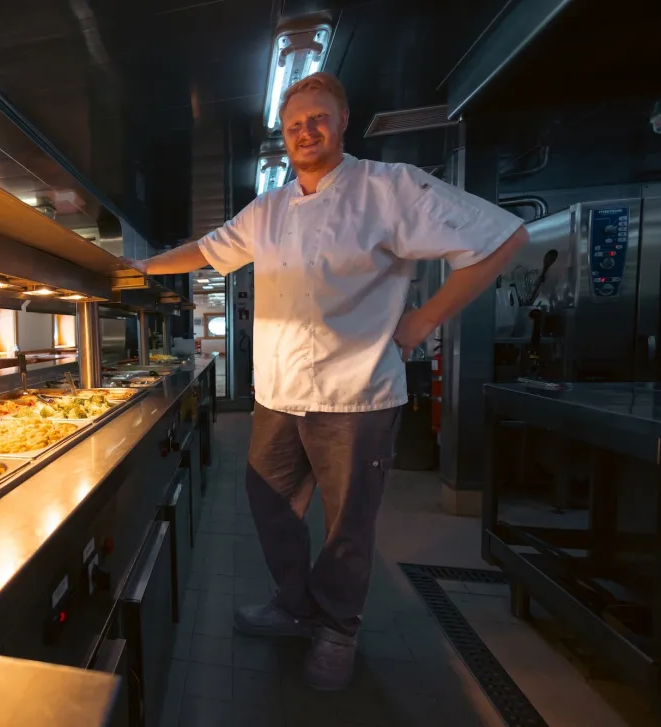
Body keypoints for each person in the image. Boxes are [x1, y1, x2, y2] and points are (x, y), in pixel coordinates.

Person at [125, 72, 527, 690]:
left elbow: (502, 236)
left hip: (357, 396)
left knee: (347, 527)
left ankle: (338, 628)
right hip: (277, 395)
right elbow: (208, 250)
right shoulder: (271, 208)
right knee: (268, 504)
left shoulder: (389, 188)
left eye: (318, 119)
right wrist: (140, 269)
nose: (305, 130)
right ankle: (294, 604)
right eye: (294, 124)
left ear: (342, 121)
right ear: (283, 136)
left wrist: (423, 319)